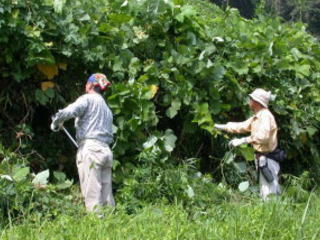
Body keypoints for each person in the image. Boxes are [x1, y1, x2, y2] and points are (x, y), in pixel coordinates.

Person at [50, 73, 115, 212]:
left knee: (92, 193)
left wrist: (56, 121)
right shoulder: (107, 109)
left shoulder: (88, 99)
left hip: (91, 150)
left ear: (90, 85)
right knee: (106, 194)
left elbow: (71, 111)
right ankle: (112, 224)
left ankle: (96, 228)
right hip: (106, 151)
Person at [215, 88, 281, 200]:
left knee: (269, 191)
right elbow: (242, 126)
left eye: (251, 98)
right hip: (262, 158)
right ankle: (271, 211)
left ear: (256, 101)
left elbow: (263, 137)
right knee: (266, 188)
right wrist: (222, 127)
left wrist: (243, 141)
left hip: (268, 158)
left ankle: (273, 213)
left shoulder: (265, 116)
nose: (249, 101)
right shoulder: (258, 116)